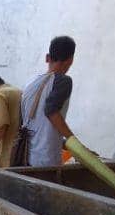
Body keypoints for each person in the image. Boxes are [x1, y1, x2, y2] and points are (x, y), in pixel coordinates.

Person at [21, 36, 79, 167]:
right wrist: (76, 145)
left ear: (48, 57)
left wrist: (66, 144)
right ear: (70, 60)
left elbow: (35, 123)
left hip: (27, 157)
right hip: (47, 160)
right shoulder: (64, 81)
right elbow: (51, 112)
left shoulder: (31, 83)